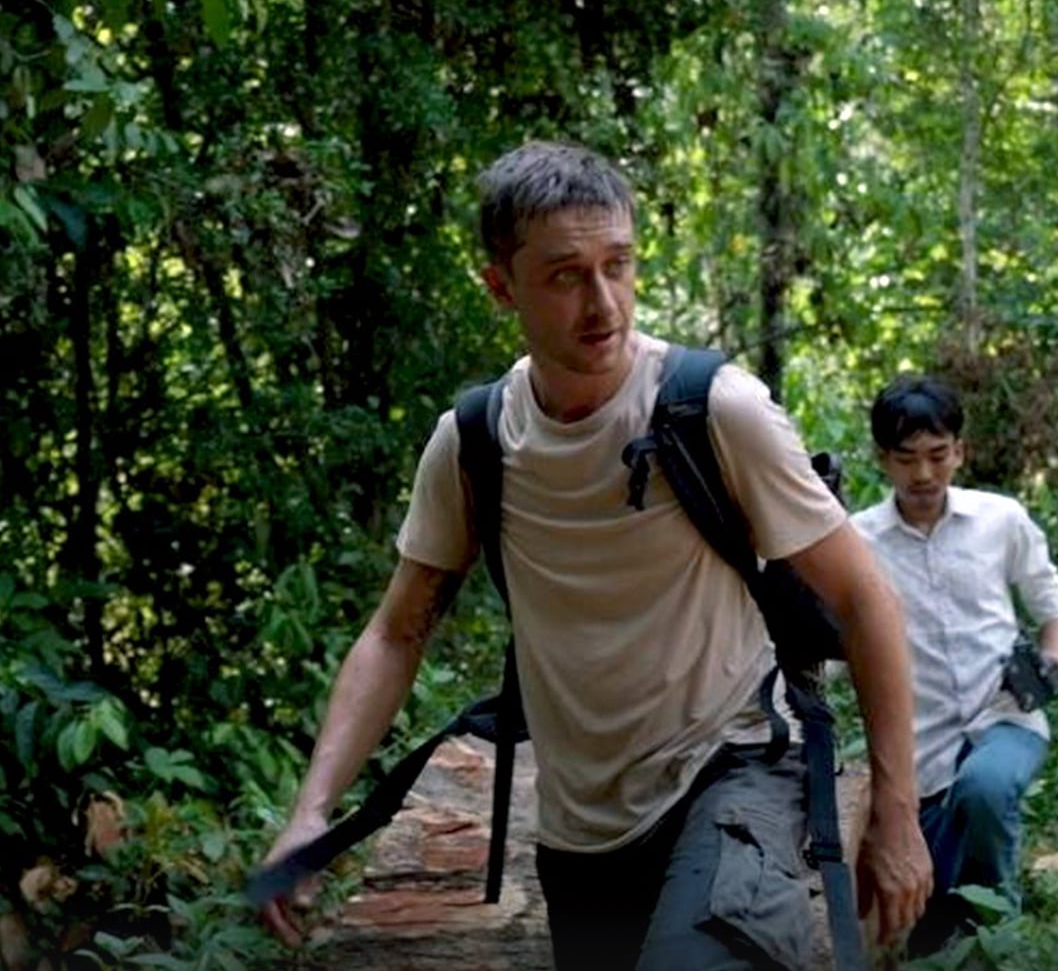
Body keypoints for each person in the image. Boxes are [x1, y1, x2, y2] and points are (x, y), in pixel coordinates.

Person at [256, 140, 931, 970]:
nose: (604, 301)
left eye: (619, 264)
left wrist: (897, 811)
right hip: (583, 828)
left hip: (734, 768)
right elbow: (397, 633)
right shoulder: (475, 444)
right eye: (566, 274)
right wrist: (311, 812)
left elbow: (867, 601)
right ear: (501, 286)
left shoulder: (714, 410)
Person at [850, 374, 1058, 955]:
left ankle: (1004, 934)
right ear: (883, 460)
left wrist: (1052, 663)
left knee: (984, 787)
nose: (923, 475)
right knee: (927, 910)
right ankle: (954, 939)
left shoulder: (1001, 521)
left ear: (960, 452)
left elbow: (1054, 610)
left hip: (1005, 716)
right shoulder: (856, 544)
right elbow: (831, 649)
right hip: (918, 747)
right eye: (906, 459)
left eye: (937, 456)